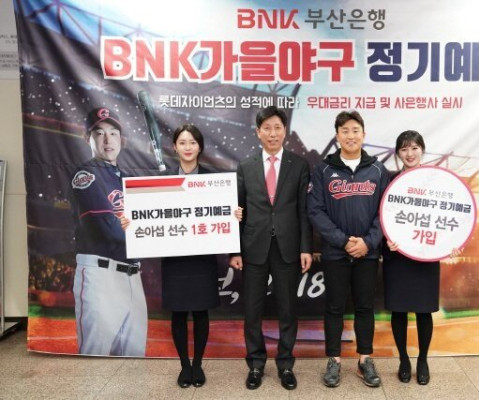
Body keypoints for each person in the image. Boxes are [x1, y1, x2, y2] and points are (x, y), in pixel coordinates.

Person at [121, 124, 242, 388]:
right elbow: (145, 217)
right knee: (177, 313)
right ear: (174, 147)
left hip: (202, 259)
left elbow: (225, 216)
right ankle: (184, 366)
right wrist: (130, 222)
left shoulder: (214, 181)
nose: (188, 147)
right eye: (183, 143)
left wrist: (233, 216)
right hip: (174, 259)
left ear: (200, 147)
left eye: (192, 143)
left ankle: (197, 365)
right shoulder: (160, 181)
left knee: (200, 312)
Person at [229, 106, 312, 391]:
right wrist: (235, 250)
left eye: (277, 128)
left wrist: (305, 248)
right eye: (267, 128)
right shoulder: (246, 166)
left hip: (288, 247)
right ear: (258, 133)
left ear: (285, 131)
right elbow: (237, 211)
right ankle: (255, 364)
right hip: (254, 247)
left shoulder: (299, 165)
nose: (273, 133)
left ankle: (285, 364)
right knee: (252, 310)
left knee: (288, 309)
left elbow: (303, 211)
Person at [307, 110, 389, 388]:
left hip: (368, 252)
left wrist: (368, 242)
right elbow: (315, 211)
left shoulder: (378, 170)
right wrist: (343, 241)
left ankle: (365, 360)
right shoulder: (323, 170)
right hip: (335, 252)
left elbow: (385, 211)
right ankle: (334, 360)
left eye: (355, 130)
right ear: (337, 136)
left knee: (365, 307)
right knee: (334, 307)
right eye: (345, 131)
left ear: (364, 135)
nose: (350, 136)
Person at [383, 130, 460, 385]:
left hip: (426, 257)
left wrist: (452, 244)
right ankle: (404, 360)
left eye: (414, 148)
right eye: (404, 149)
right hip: (398, 256)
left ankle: (423, 360)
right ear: (398, 153)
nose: (410, 153)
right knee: (399, 310)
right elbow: (382, 216)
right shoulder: (390, 182)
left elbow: (449, 217)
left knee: (424, 311)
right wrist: (386, 240)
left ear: (422, 150)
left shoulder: (436, 183)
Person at [70, 107, 147, 356]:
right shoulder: (86, 175)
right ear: (88, 138)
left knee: (134, 358)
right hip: (101, 275)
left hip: (133, 276)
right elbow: (108, 227)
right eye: (99, 133)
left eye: (113, 133)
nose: (107, 139)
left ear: (121, 140)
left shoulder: (127, 180)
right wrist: (154, 236)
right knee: (96, 356)